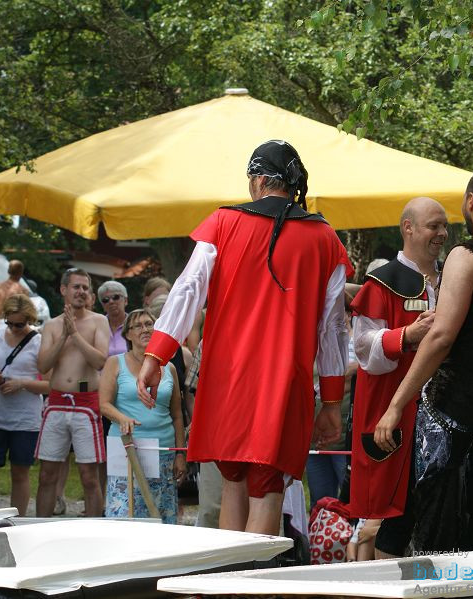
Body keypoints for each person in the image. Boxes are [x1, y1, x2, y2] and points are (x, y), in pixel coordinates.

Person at [138, 140, 352, 535]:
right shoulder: (325, 240)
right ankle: (255, 587)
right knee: (267, 489)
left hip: (227, 379)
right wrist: (333, 400)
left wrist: (156, 354)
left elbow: (187, 289)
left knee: (233, 481)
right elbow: (333, 329)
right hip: (285, 383)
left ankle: (230, 586)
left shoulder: (222, 223)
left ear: (258, 180)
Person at [374, 169, 473, 552]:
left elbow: (442, 336)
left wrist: (396, 404)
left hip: (454, 409)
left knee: (423, 520)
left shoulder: (466, 256)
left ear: (471, 203)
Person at [348, 197, 447, 559]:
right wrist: (405, 336)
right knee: (392, 519)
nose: (442, 233)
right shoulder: (382, 282)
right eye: (433, 225)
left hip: (445, 415)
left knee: (436, 514)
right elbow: (363, 349)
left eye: (444, 226)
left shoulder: (454, 276)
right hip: (398, 417)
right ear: (408, 228)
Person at [35, 268, 110, 517]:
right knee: (47, 474)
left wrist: (75, 335)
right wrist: (64, 335)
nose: (81, 292)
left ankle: (92, 530)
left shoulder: (98, 321)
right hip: (57, 402)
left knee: (89, 476)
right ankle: (40, 530)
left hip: (86, 404)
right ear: (63, 290)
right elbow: (43, 365)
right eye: (76, 287)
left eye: (85, 288)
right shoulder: (52, 325)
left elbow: (100, 361)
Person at [100, 309, 185, 523]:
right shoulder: (115, 363)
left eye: (149, 324)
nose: (145, 329)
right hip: (128, 449)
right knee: (125, 510)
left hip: (162, 450)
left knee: (159, 511)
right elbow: (104, 404)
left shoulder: (169, 367)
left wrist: (181, 454)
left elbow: (177, 415)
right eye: (138, 326)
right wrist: (122, 418)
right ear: (127, 334)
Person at [0, 295, 49, 515]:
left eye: (19, 324)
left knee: (20, 473)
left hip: (25, 420)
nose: (14, 328)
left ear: (29, 319)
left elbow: (50, 385)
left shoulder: (38, 342)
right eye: (10, 322)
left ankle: (17, 519)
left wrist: (22, 383)